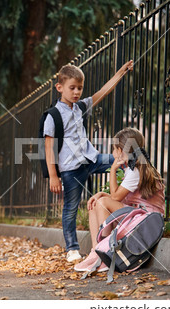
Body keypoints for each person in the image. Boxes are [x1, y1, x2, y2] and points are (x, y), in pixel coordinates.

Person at [44, 60, 134, 262]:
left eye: (80, 88)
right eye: (72, 88)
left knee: (123, 159)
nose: (76, 92)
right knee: (71, 208)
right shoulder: (53, 116)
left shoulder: (81, 107)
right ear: (60, 88)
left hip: (91, 159)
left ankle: (136, 201)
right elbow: (49, 147)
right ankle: (72, 249)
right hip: (71, 169)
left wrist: (120, 73)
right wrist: (53, 176)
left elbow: (103, 91)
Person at [73, 127, 165, 272]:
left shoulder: (136, 171)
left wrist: (113, 169)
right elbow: (118, 196)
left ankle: (107, 254)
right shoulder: (133, 168)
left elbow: (115, 197)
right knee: (96, 203)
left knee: (102, 203)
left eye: (114, 149)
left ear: (121, 150)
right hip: (136, 215)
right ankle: (96, 251)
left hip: (144, 220)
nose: (112, 153)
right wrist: (100, 194)